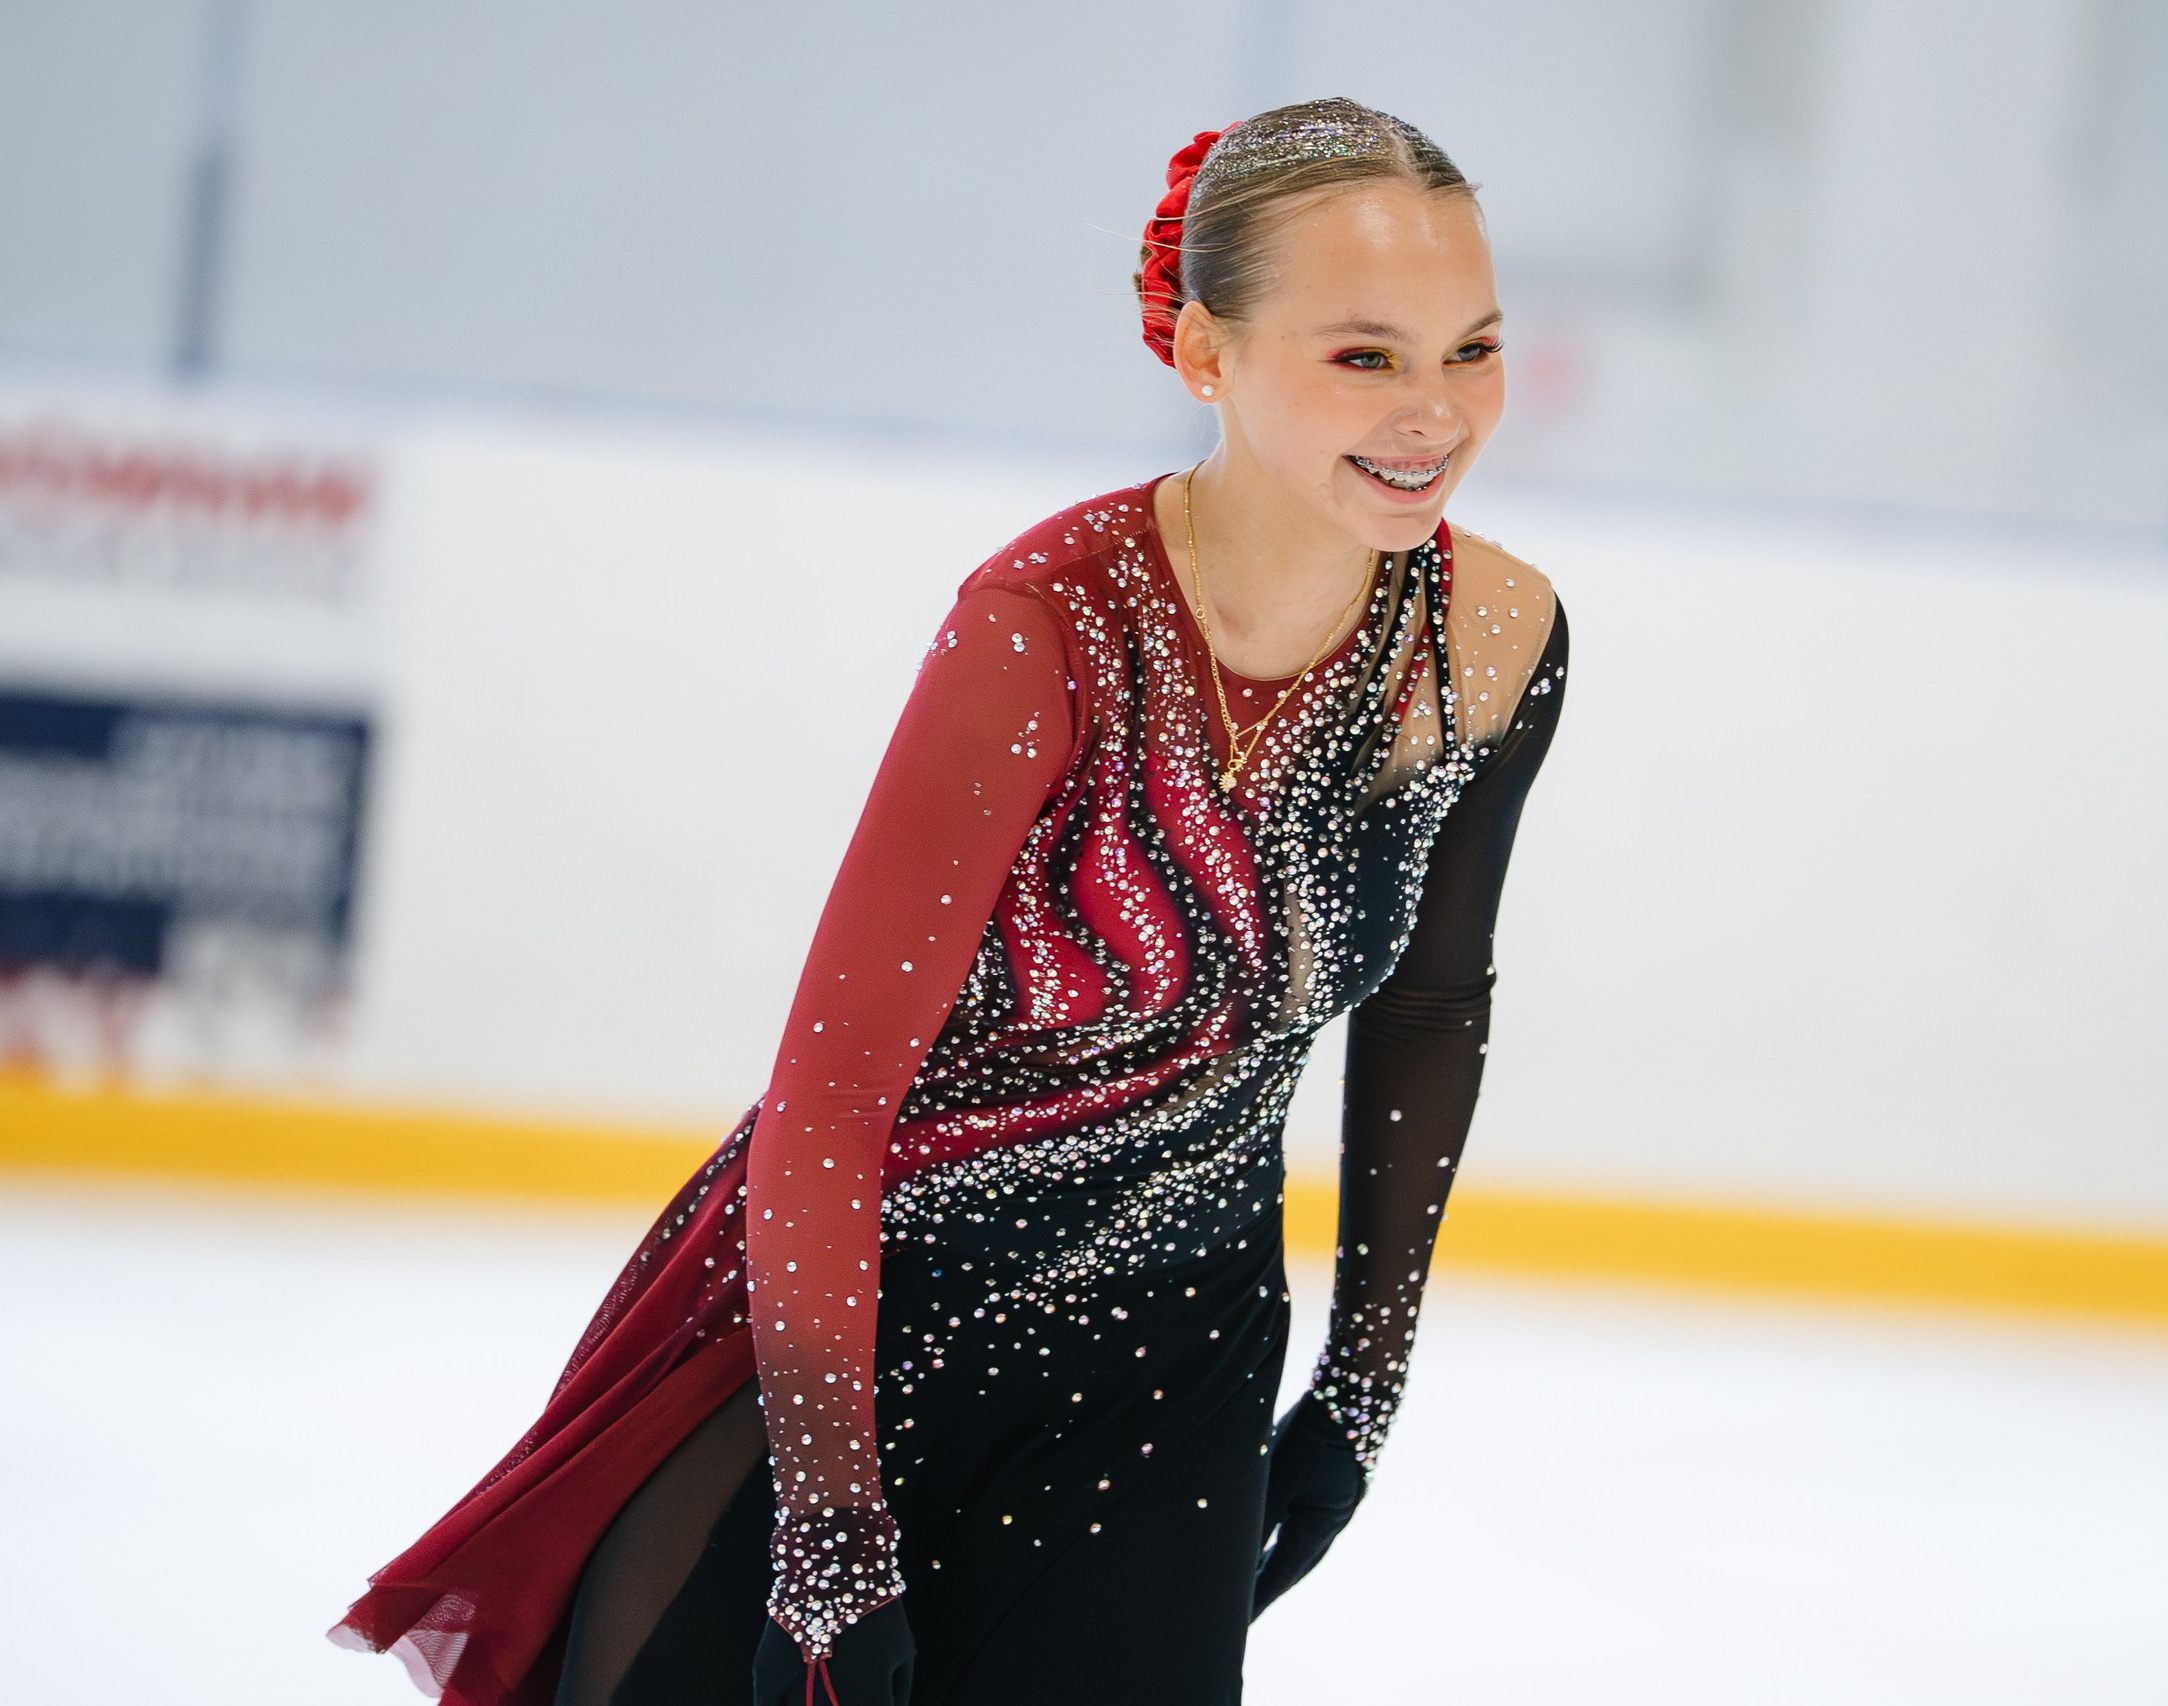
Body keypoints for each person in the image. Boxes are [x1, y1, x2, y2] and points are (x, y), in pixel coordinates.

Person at [332, 96, 1567, 1706]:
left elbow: (1430, 999)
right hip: (853, 1334)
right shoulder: (1043, 624)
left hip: (1172, 1377)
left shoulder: (1486, 641)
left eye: (1471, 348)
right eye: (1365, 355)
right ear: (1204, 352)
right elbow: (834, 1098)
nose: (1435, 412)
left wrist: (1363, 1383)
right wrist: (835, 1527)